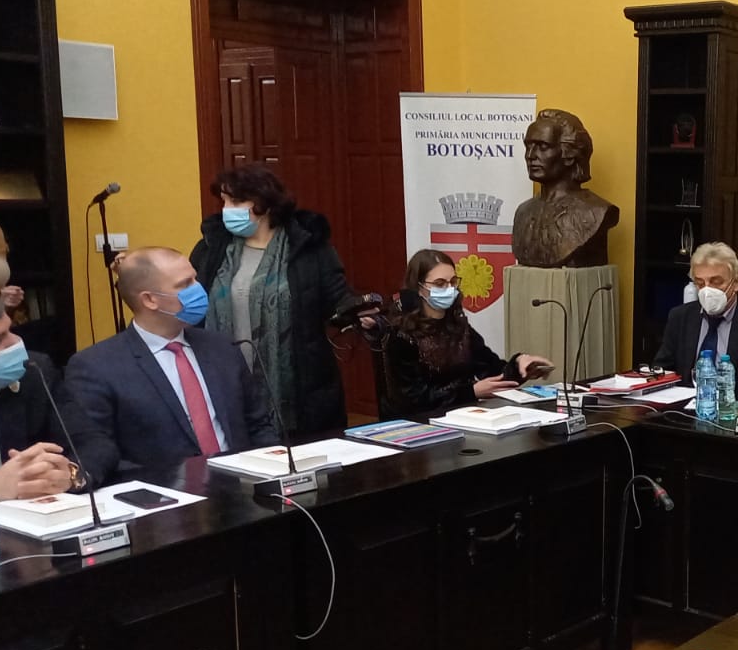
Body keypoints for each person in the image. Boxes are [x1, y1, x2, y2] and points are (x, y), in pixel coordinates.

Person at [66, 247, 279, 470]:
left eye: (195, 278)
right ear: (150, 300)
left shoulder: (222, 347)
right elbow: (97, 453)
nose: (198, 289)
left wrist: (275, 468)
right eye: (185, 284)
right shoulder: (96, 367)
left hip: (243, 482)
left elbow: (258, 425)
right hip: (162, 488)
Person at [190, 164, 357, 438]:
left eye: (235, 201)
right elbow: (191, 300)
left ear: (264, 204)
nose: (226, 209)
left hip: (298, 384)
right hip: (225, 377)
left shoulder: (307, 247)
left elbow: (337, 298)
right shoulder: (212, 247)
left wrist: (357, 312)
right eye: (223, 201)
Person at [382, 249, 552, 416]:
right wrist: (471, 392)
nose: (449, 289)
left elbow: (493, 371)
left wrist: (520, 365)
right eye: (440, 284)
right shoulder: (401, 334)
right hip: (419, 422)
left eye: (453, 282)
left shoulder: (458, 326)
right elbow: (411, 400)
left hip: (465, 415)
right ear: (419, 287)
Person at [0, 292, 118, 497]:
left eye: (9, 330)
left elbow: (94, 443)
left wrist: (70, 475)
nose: (16, 343)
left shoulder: (32, 371)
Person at [652, 242, 738, 397]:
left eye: (716, 282)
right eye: (700, 283)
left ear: (736, 283)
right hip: (683, 407)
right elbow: (662, 372)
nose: (707, 290)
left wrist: (721, 400)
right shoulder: (680, 317)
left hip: (734, 407)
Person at [509, 109, 620, 268]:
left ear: (570, 154)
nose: (530, 155)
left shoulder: (596, 211)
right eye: (528, 146)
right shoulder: (523, 212)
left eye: (543, 146)